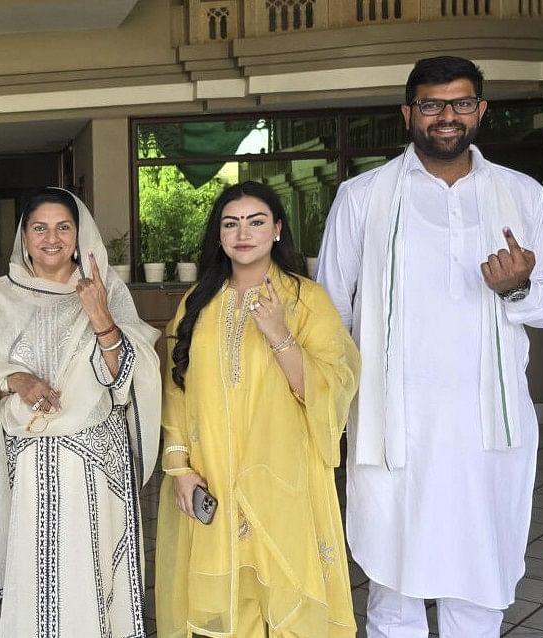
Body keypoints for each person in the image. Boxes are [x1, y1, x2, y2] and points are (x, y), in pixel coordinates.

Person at [316, 55, 543, 637]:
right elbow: (327, 311)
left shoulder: (522, 195)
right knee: (393, 586)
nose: (447, 116)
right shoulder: (362, 195)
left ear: (481, 110)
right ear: (408, 113)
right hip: (395, 422)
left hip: (485, 429)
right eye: (432, 104)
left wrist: (516, 287)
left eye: (461, 102)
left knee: (477, 576)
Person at [0, 187, 161, 636]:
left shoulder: (106, 290)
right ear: (24, 238)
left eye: (64, 227)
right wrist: (14, 379)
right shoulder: (0, 297)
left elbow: (125, 384)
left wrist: (101, 316)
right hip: (29, 467)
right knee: (37, 579)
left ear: (78, 235)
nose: (52, 238)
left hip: (96, 465)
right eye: (39, 227)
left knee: (94, 574)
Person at [155, 181, 360, 637]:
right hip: (213, 476)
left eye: (256, 221)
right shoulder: (196, 303)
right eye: (231, 223)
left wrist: (279, 335)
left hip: (282, 479)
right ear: (219, 235)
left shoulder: (306, 300)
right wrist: (179, 467)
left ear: (277, 230)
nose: (243, 233)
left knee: (288, 597)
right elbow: (176, 389)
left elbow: (333, 386)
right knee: (223, 607)